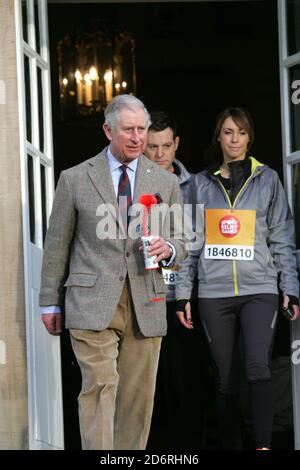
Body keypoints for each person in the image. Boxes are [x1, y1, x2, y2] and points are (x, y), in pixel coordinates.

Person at [39, 95, 186, 450]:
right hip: (90, 299)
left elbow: (181, 238)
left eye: (142, 129)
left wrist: (170, 249)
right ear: (108, 130)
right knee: (100, 386)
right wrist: (49, 302)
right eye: (128, 130)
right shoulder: (74, 179)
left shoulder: (165, 182)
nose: (138, 138)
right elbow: (57, 243)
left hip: (145, 299)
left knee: (137, 398)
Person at [175, 106, 300, 450]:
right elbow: (189, 245)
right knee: (226, 379)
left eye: (241, 133)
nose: (234, 139)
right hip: (215, 294)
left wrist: (290, 287)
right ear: (219, 136)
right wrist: (183, 295)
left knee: (258, 368)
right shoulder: (199, 185)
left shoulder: (268, 179)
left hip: (260, 290)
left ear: (250, 138)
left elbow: (281, 238)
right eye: (228, 132)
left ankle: (262, 446)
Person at [144, 110, 207, 448]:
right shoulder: (131, 184)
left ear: (177, 144)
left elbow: (200, 241)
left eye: (166, 145)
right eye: (153, 146)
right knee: (146, 383)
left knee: (187, 381)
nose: (160, 153)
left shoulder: (196, 184)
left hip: (187, 296)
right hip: (146, 294)